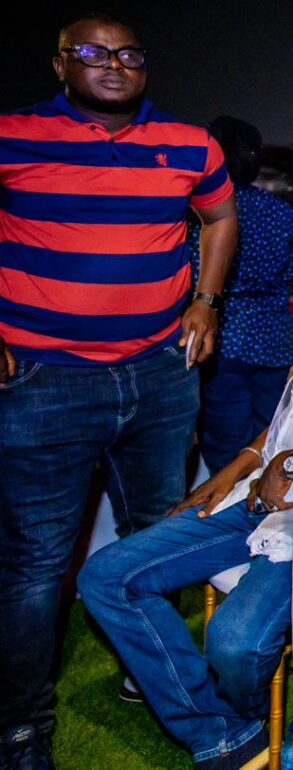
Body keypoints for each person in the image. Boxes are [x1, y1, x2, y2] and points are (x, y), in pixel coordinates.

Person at [77, 198, 293, 770]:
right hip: (256, 497)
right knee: (106, 576)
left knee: (236, 643)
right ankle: (225, 730)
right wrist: (230, 473)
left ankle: (256, 722)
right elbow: (287, 417)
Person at [0, 14, 238, 766]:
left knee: (154, 538)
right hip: (44, 380)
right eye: (93, 53)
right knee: (36, 565)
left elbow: (220, 216)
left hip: (159, 376)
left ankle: (148, 672)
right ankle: (22, 727)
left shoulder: (191, 144)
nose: (113, 64)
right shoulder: (14, 135)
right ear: (60, 65)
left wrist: (207, 301)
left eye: (129, 53)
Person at [187, 116, 293, 474]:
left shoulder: (202, 210)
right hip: (274, 337)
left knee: (225, 446)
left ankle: (228, 504)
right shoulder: (280, 210)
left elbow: (195, 271)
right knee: (272, 437)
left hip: (224, 336)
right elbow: (290, 271)